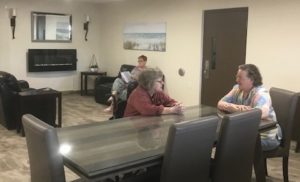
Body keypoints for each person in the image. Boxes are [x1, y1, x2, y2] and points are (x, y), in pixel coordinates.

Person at [217, 64, 281, 151]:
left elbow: (261, 113)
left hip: (266, 137)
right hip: (249, 133)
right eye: (237, 77)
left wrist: (235, 109)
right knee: (226, 141)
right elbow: (220, 103)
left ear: (252, 79)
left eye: (240, 78)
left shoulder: (261, 94)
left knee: (232, 144)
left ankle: (238, 164)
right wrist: (235, 107)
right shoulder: (237, 89)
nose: (237, 80)